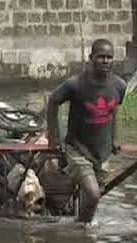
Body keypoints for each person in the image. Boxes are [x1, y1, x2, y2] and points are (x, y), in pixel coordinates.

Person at [46, 39, 127, 223]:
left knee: (93, 195)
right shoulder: (75, 84)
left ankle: (81, 224)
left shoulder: (119, 85)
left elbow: (113, 109)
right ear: (91, 58)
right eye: (101, 57)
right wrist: (53, 138)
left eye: (109, 57)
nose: (105, 61)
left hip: (102, 152)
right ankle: (82, 231)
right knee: (93, 194)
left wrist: (115, 138)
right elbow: (53, 101)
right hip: (77, 148)